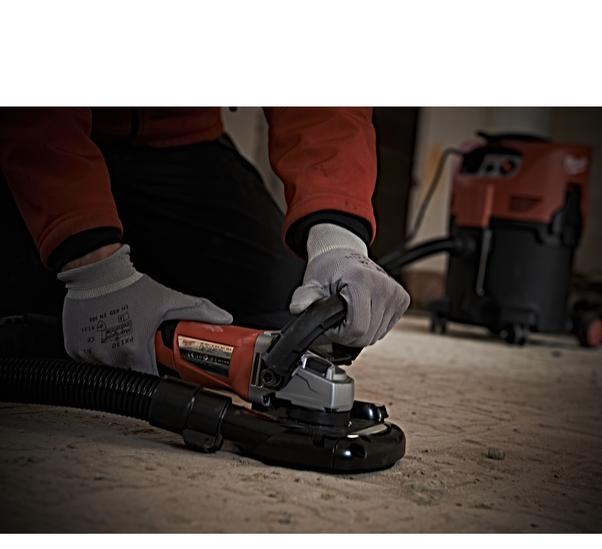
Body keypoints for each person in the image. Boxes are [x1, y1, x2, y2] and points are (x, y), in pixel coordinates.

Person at [0, 107, 410, 375]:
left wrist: (338, 239)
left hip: (181, 139)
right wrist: (92, 267)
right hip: (37, 143)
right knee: (23, 319)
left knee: (285, 307)